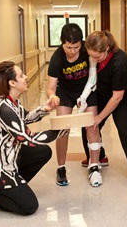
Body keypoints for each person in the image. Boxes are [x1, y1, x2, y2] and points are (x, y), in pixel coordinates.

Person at [0, 61, 67, 215]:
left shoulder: (11, 102)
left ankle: (10, 189)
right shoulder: (4, 109)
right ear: (12, 83)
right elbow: (28, 139)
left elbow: (25, 117)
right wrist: (57, 132)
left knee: (44, 152)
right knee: (29, 206)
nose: (25, 77)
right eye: (21, 75)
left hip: (8, 157)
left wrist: (44, 109)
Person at [83, 30, 127, 190]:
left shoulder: (120, 63)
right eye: (91, 56)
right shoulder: (95, 54)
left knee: (125, 131)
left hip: (123, 98)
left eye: (97, 57)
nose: (93, 59)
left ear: (107, 48)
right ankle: (99, 156)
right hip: (103, 93)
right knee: (88, 126)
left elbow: (117, 97)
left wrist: (100, 117)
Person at [47, 23, 106, 187]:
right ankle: (61, 167)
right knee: (62, 128)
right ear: (61, 43)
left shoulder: (88, 51)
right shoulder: (57, 58)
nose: (73, 51)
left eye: (76, 47)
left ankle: (94, 166)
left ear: (82, 43)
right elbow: (50, 87)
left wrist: (84, 97)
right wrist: (53, 98)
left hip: (87, 89)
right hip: (65, 92)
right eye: (68, 47)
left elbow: (93, 77)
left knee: (92, 125)